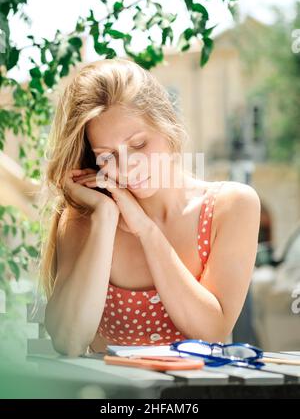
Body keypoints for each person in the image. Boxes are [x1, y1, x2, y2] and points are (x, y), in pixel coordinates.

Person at [38, 58, 261, 357]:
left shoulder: (231, 206)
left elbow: (212, 332)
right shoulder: (85, 216)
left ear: (168, 126)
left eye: (139, 144)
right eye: (107, 156)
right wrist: (105, 217)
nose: (127, 166)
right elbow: (68, 340)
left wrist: (146, 230)